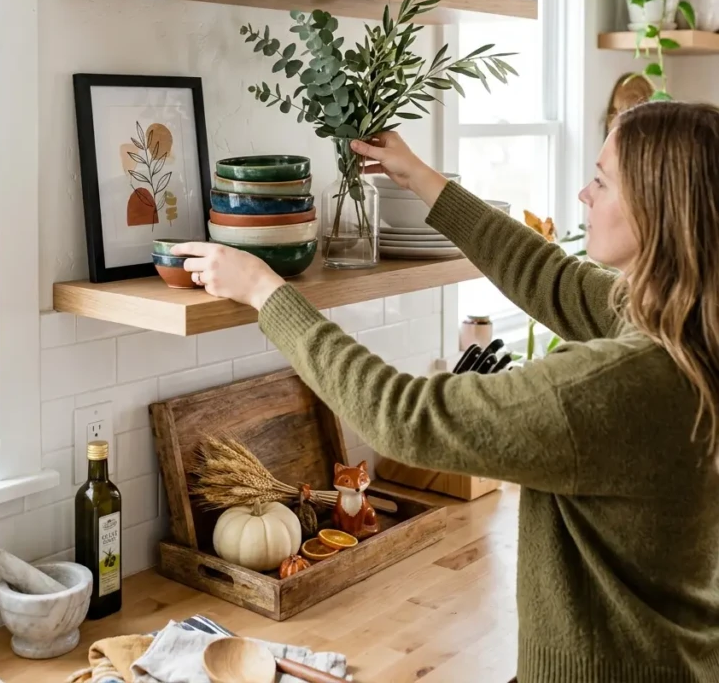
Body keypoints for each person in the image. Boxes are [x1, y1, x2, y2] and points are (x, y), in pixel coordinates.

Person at [174, 101, 719, 683]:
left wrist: (266, 293)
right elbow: (551, 277)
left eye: (602, 181)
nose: (584, 194)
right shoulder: (690, 330)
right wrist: (420, 179)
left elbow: (400, 416)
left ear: (658, 212)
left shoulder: (618, 384)